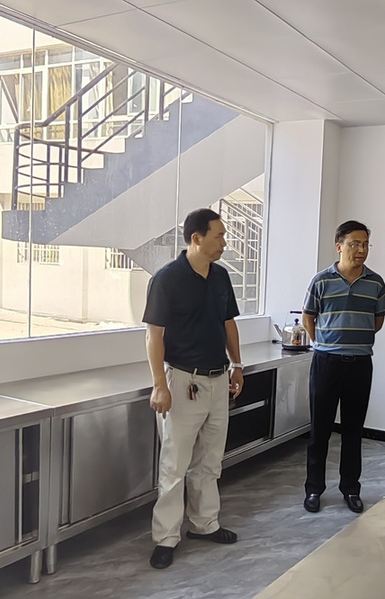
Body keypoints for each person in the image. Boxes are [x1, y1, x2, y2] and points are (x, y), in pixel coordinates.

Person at [143, 208, 244, 570]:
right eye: (219, 235)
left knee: (210, 460)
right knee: (175, 465)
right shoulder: (167, 279)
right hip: (183, 380)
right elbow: (154, 336)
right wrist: (159, 385)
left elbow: (228, 323)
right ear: (197, 238)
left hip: (218, 380)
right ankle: (166, 538)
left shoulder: (220, 276)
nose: (224, 242)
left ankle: (204, 524)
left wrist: (237, 365)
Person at [301, 220, 385, 514]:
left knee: (353, 431)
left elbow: (378, 321)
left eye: (365, 244)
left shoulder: (376, 282)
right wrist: (325, 342)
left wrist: (354, 338)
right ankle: (314, 490)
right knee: (320, 430)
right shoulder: (321, 280)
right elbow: (308, 318)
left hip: (360, 363)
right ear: (339, 246)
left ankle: (351, 489)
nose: (361, 249)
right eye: (355, 244)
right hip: (326, 362)